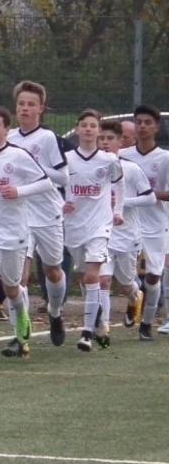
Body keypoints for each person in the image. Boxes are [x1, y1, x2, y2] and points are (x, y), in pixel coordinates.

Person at [0, 105, 54, 364]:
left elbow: (46, 183)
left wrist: (19, 191)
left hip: (15, 233)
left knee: (12, 288)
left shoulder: (19, 156)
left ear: (7, 129)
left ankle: (22, 316)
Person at [6, 81, 70, 350]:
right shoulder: (9, 137)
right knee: (17, 278)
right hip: (20, 215)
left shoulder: (47, 138)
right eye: (21, 103)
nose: (25, 108)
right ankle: (20, 336)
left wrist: (34, 166)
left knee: (52, 270)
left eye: (31, 104)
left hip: (47, 214)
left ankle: (55, 313)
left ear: (41, 109)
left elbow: (63, 177)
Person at [62, 109, 125, 351]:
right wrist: (61, 203)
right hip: (74, 226)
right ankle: (97, 318)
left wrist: (118, 211)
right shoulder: (67, 159)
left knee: (92, 276)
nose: (88, 129)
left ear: (98, 131)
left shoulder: (108, 160)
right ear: (78, 129)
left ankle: (87, 333)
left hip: (100, 225)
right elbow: (54, 186)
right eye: (84, 125)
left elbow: (119, 184)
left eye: (93, 125)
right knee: (86, 277)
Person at [118, 105, 169, 339]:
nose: (142, 126)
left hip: (156, 224)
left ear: (156, 127)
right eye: (139, 122)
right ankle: (133, 298)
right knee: (124, 276)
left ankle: (146, 325)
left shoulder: (165, 158)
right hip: (129, 223)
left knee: (153, 276)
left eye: (148, 122)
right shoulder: (123, 156)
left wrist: (147, 194)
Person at [97, 120, 152, 331]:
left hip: (127, 235)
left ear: (120, 142)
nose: (105, 142)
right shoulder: (93, 169)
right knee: (103, 280)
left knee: (126, 284)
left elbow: (149, 198)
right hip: (101, 234)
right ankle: (103, 327)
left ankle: (135, 296)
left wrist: (121, 202)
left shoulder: (131, 169)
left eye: (110, 138)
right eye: (101, 138)